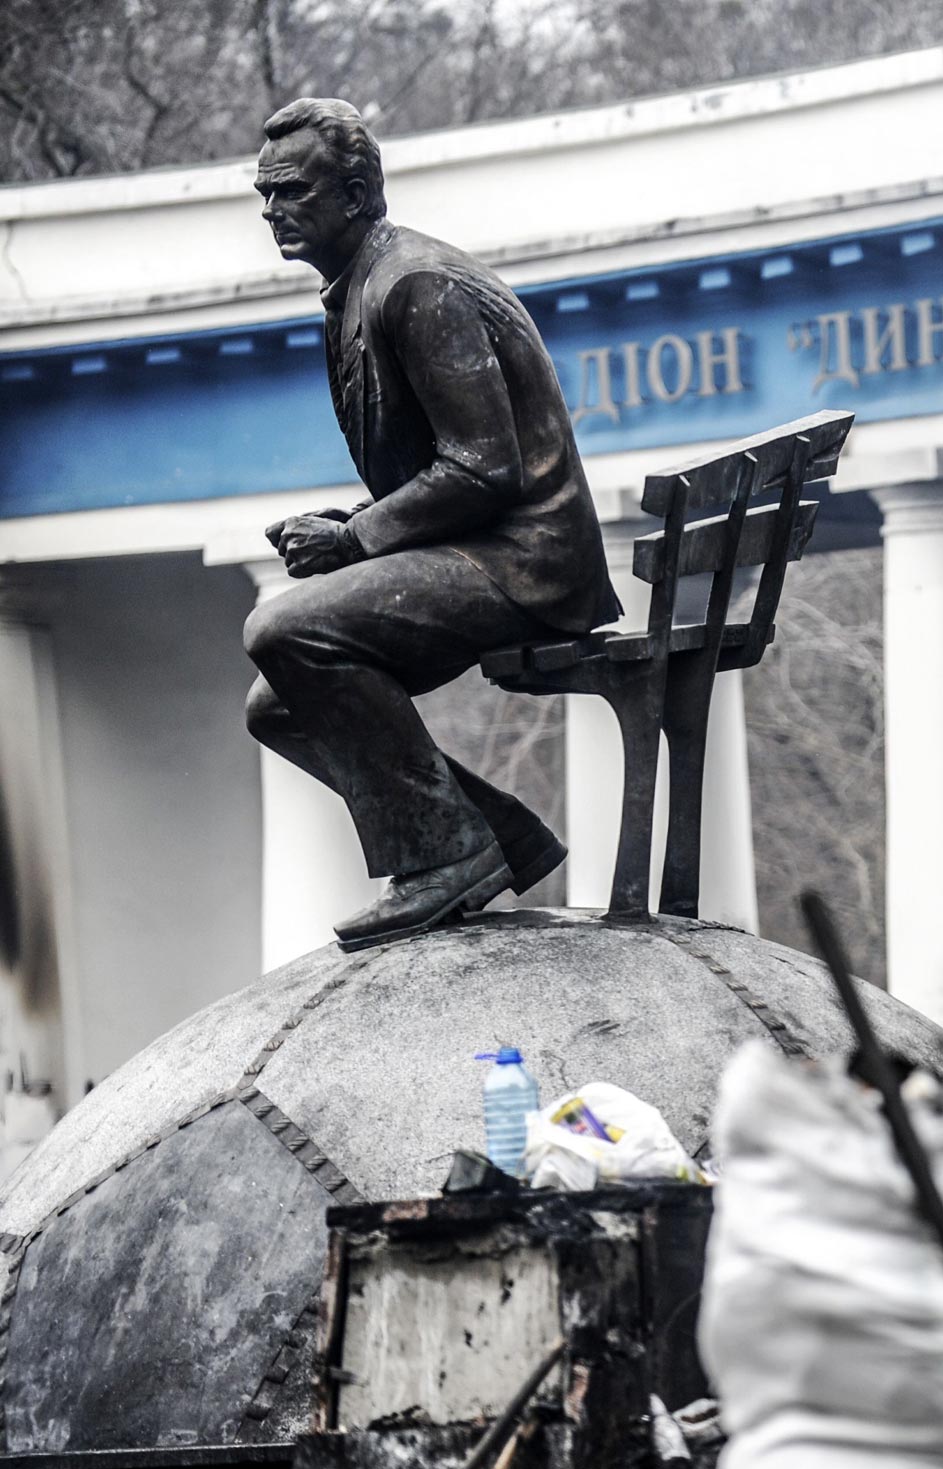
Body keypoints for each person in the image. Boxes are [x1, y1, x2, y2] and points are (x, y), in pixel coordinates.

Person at [244, 98, 620, 951]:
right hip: (477, 546)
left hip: (526, 562)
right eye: (263, 197)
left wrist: (356, 539)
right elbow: (443, 471)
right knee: (276, 707)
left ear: (358, 192)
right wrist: (349, 525)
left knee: (282, 629)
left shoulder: (415, 285)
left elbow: (486, 467)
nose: (273, 213)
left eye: (292, 191)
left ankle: (446, 856)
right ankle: (495, 837)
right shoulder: (358, 291)